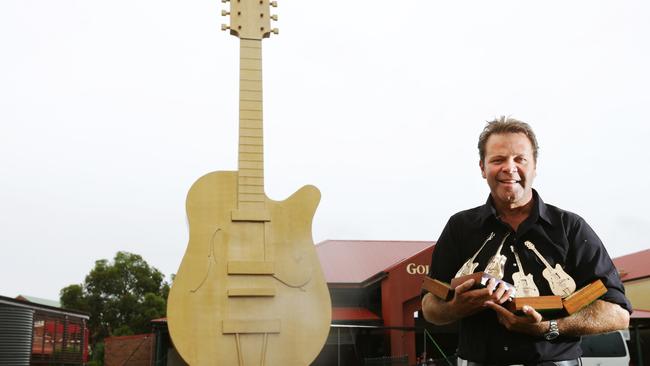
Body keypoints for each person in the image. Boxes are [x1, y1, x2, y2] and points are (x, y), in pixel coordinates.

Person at [421, 117, 631, 366]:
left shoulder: (570, 227)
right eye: (497, 159)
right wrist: (457, 307)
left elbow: (617, 313)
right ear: (482, 167)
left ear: (534, 166)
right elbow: (429, 306)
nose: (509, 168)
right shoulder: (459, 227)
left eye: (520, 159)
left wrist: (548, 327)